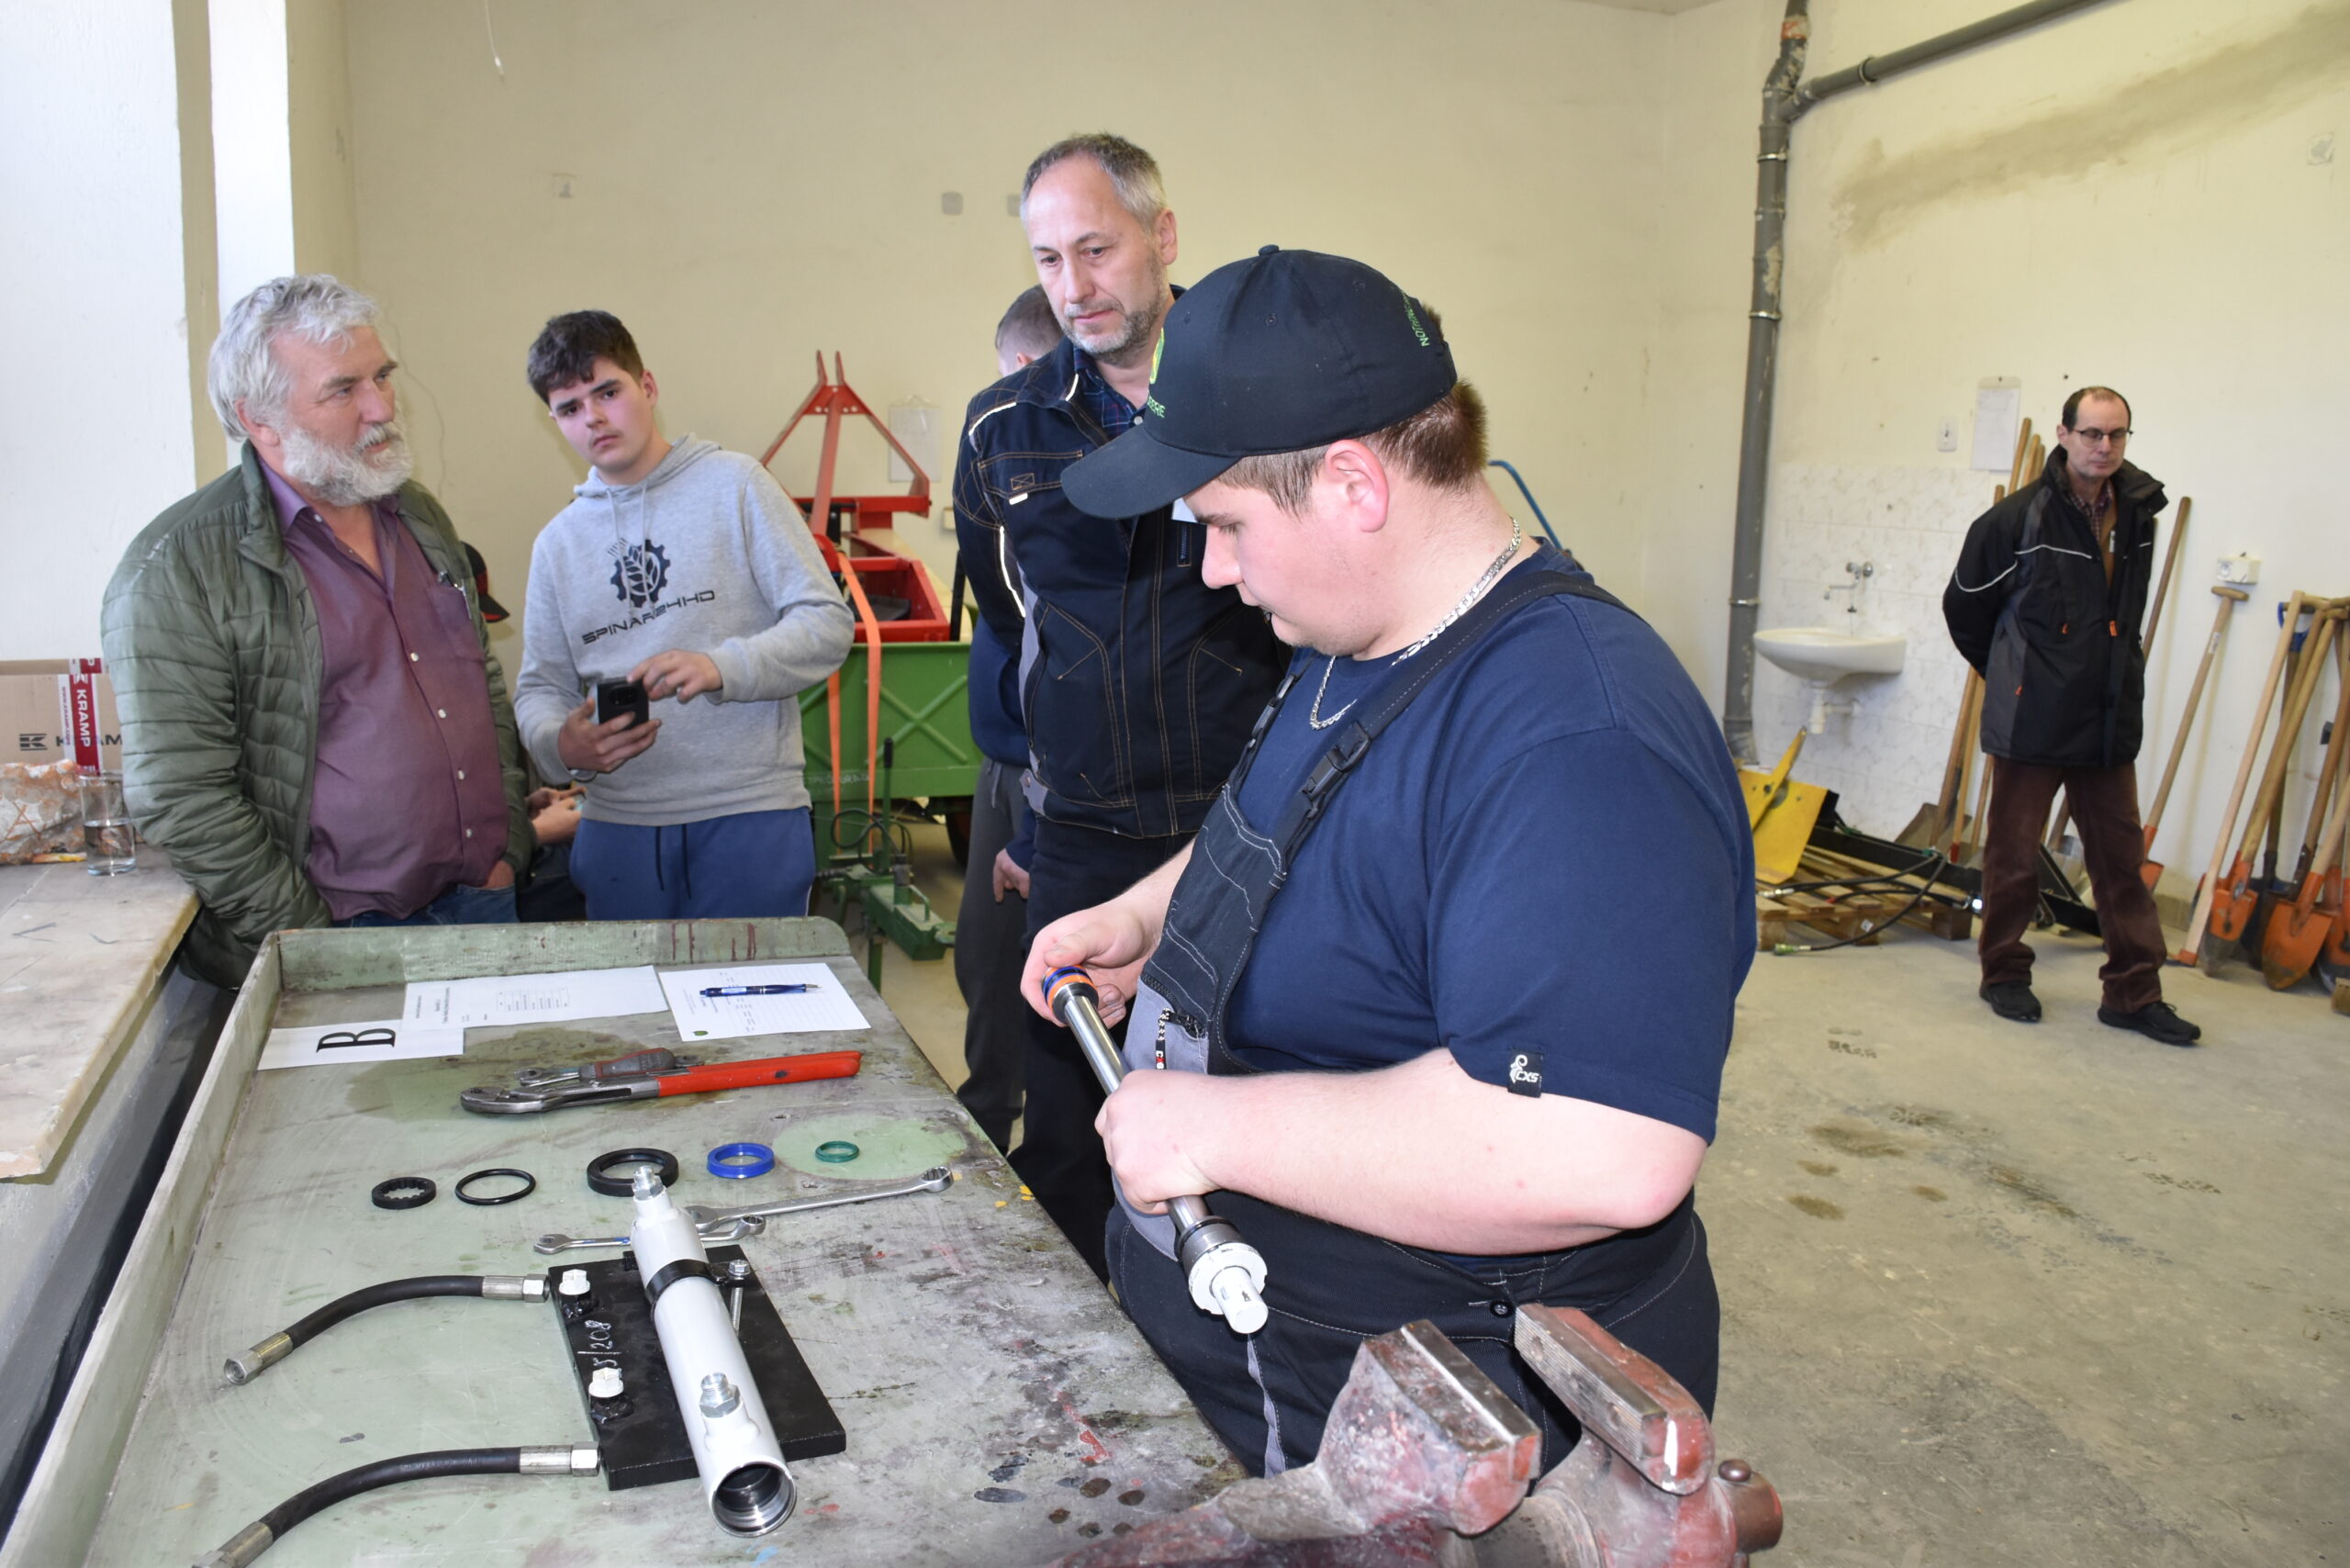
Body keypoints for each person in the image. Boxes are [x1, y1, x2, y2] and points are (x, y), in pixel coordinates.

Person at [1022, 246, 1754, 1475]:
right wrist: (1152, 919)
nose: (1212, 567)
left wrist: (1212, 1130)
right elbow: (1310, 828)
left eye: (1225, 524)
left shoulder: (1578, 740)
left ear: (1354, 484)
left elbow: (1602, 1149)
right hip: (1270, 1344)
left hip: (1432, 1411)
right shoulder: (1357, 634)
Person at [955, 135, 1287, 1273]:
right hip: (1086, 839)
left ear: (1163, 235)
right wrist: (1038, 806)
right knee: (1071, 1129)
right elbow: (1013, 627)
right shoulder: (1003, 433)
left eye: (1096, 249)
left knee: (1252, 1099)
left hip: (1247, 828)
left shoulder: (1258, 403)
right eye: (1049, 260)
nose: (1075, 286)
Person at [101, 275, 532, 986]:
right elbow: (180, 793)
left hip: (482, 899)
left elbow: (477, 678)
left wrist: (508, 843)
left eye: (382, 376)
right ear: (261, 420)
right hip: (337, 935)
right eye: (343, 390)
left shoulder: (415, 513)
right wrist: (305, 936)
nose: (382, 408)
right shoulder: (177, 568)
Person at [514, 311, 853, 921]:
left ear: (647, 387)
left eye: (607, 393)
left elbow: (827, 624)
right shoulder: (556, 545)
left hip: (748, 817)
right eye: (569, 408)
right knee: (631, 989)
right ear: (554, 421)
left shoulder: (737, 486)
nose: (593, 418)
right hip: (617, 829)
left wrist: (722, 667)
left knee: (754, 986)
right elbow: (540, 689)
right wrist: (561, 744)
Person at [1943, 386, 2199, 1046]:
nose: (2104, 447)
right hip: (2032, 717)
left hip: (2107, 715)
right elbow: (1964, 607)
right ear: (2064, 435)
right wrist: (2014, 674)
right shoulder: (2016, 519)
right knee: (2013, 859)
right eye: (2091, 433)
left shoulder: (2139, 513)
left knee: (2121, 863)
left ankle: (2134, 993)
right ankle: (2004, 973)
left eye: (2116, 434)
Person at [954, 286, 1061, 1151]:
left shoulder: (1064, 496)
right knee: (986, 963)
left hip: (1051, 773)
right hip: (1006, 763)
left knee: (1036, 973)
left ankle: (1038, 1150)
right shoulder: (1008, 481)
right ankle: (989, 1124)